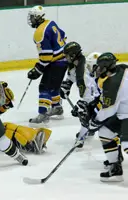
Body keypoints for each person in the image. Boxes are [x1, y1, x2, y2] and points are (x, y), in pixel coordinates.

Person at [80, 52, 127, 182]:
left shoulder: (112, 83)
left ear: (107, 67)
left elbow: (108, 110)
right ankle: (115, 169)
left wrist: (94, 123)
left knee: (126, 143)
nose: (98, 70)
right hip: (123, 112)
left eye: (100, 67)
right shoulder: (122, 68)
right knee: (106, 131)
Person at [27, 5, 68, 124]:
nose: (31, 20)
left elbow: (46, 57)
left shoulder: (40, 33)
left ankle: (43, 114)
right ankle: (57, 108)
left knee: (44, 87)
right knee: (54, 86)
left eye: (33, 17)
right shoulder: (51, 23)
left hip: (56, 63)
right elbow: (63, 34)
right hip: (63, 60)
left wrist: (37, 70)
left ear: (38, 17)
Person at [61, 41, 101, 148]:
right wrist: (66, 85)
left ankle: (84, 135)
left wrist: (82, 105)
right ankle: (90, 128)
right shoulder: (75, 65)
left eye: (67, 56)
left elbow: (91, 96)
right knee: (84, 110)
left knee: (84, 111)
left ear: (73, 55)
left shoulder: (83, 73)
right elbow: (70, 76)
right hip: (95, 95)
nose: (65, 58)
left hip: (101, 97)